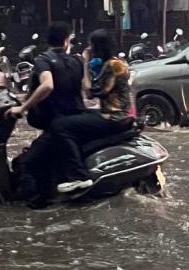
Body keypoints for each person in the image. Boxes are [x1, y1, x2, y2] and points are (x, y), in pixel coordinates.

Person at [8, 22, 85, 208]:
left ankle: (36, 210)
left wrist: (24, 107)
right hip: (74, 122)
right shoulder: (76, 61)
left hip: (57, 126)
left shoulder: (43, 61)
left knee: (26, 163)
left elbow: (48, 85)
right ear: (67, 41)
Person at [50, 29, 133, 193]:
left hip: (114, 117)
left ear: (98, 47)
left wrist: (85, 62)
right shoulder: (117, 62)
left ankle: (78, 177)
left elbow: (89, 91)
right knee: (76, 117)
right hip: (119, 115)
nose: (89, 48)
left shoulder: (112, 65)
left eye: (91, 45)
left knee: (59, 126)